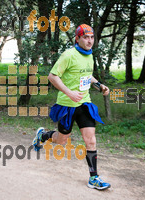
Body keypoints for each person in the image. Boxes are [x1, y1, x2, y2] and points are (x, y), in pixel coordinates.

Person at [32, 24, 111, 190]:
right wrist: (69, 93)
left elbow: (86, 76)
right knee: (61, 141)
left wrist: (100, 85)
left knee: (91, 141)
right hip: (67, 105)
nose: (89, 41)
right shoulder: (68, 55)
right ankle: (43, 135)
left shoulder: (89, 56)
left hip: (84, 104)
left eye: (91, 38)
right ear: (78, 38)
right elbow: (52, 76)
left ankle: (94, 177)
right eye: (85, 38)